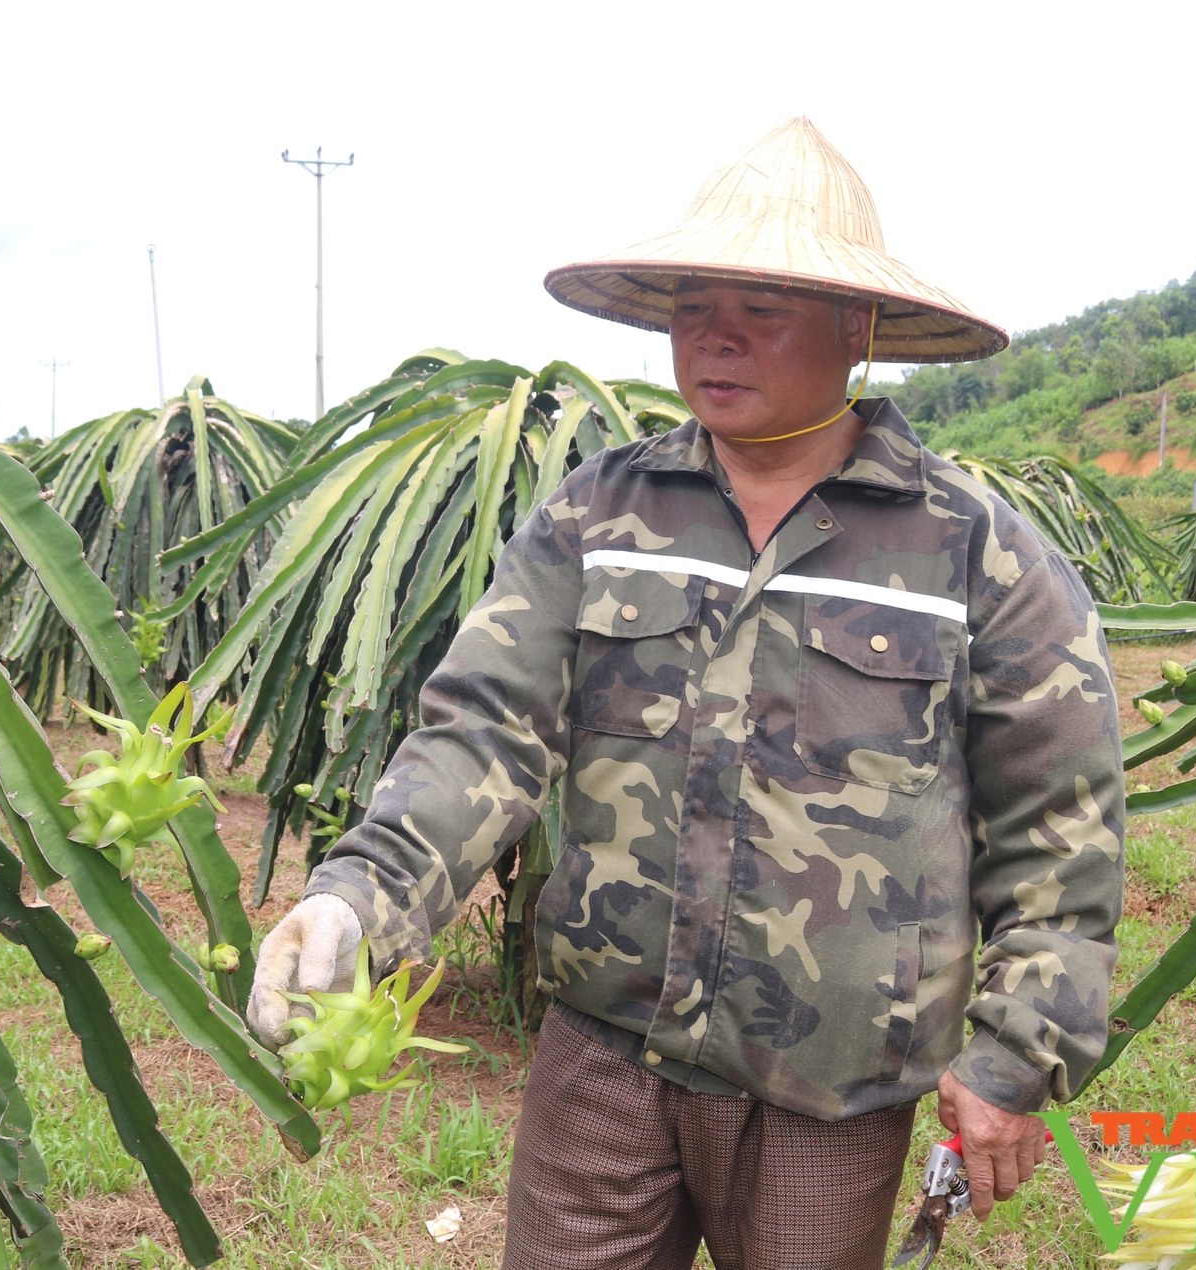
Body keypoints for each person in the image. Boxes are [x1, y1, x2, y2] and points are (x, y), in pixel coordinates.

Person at [248, 117, 1124, 1270]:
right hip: (605, 1055)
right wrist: (361, 895)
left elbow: (1057, 827)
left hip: (831, 1088)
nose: (713, 336)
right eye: (692, 304)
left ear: (853, 328)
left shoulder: (972, 553)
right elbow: (481, 733)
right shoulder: (599, 516)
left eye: (761, 310)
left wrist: (1017, 1052)